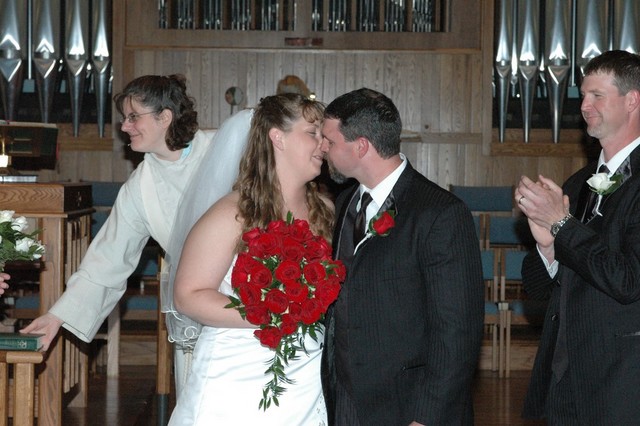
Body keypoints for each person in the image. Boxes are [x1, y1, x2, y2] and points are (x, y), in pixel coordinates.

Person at [20, 74, 252, 395]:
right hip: (197, 306)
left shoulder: (224, 148)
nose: (124, 126)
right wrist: (57, 316)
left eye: (133, 117)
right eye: (124, 118)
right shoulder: (140, 188)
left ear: (165, 117)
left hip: (254, 293)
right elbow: (109, 258)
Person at [319, 88, 484, 425]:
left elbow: (457, 332)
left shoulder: (440, 213)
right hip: (346, 398)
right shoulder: (345, 202)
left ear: (361, 146)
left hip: (407, 404)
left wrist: (426, 416)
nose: (322, 148)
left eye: (330, 140)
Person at [168, 93, 333, 425]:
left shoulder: (326, 210)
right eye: (312, 133)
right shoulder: (232, 213)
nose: (323, 144)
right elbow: (188, 295)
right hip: (235, 377)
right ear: (277, 137)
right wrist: (270, 313)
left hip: (306, 374)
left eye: (324, 135)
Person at [515, 49, 640, 424]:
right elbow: (538, 290)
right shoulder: (577, 183)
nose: (584, 106)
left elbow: (628, 281)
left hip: (621, 381)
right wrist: (546, 247)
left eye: (597, 95)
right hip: (564, 378)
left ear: (632, 100)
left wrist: (562, 225)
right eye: (583, 95)